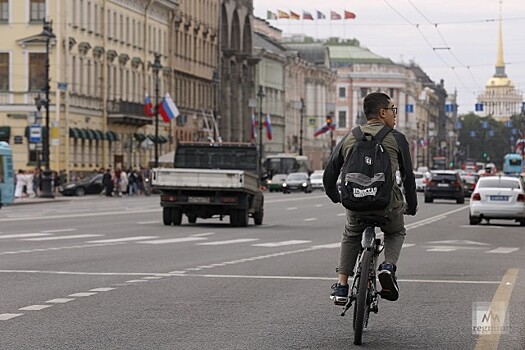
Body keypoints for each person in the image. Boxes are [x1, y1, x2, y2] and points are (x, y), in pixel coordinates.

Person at [323, 92, 418, 304]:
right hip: (388, 206)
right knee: (396, 232)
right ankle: (388, 267)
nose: (395, 115)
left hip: (355, 202)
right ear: (382, 113)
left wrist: (336, 197)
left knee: (351, 233)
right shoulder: (397, 138)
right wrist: (411, 206)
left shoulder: (349, 137)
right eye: (393, 110)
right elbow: (408, 178)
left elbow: (329, 174)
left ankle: (342, 286)